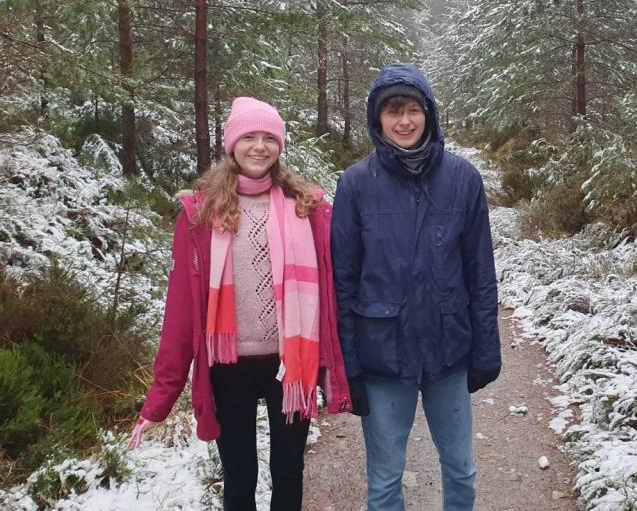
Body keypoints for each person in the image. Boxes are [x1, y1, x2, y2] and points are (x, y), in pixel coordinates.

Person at [129, 97, 351, 511]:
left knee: (289, 471)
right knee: (239, 477)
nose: (260, 147)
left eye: (269, 138)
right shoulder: (201, 213)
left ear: (280, 146)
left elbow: (338, 289)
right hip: (227, 366)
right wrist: (160, 399)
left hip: (291, 364)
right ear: (232, 144)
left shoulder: (308, 208)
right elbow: (180, 311)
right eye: (249, 137)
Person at [331, 63, 501, 511]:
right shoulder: (355, 185)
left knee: (461, 471)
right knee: (385, 480)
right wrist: (349, 366)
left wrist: (486, 349)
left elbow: (480, 274)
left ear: (429, 114)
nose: (404, 121)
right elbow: (342, 282)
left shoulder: (463, 179)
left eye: (412, 110)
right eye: (393, 111)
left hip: (449, 351)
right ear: (377, 119)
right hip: (382, 356)